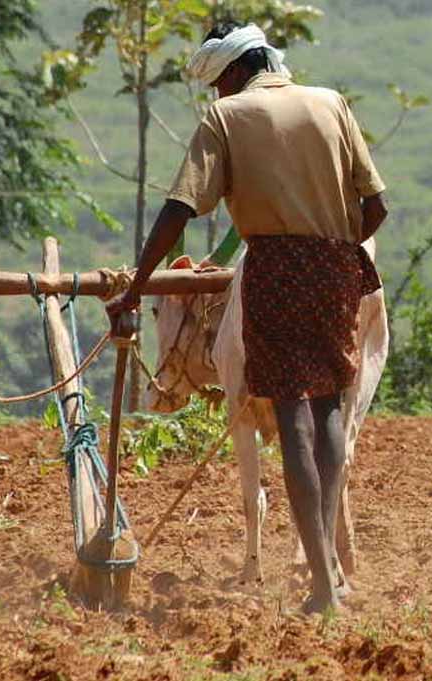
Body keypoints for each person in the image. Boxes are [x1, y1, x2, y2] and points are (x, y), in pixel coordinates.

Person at [107, 21, 388, 613]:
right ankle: (329, 571)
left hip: (275, 271)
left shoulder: (228, 117)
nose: (216, 96)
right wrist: (335, 253)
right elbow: (378, 206)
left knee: (293, 421)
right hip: (341, 265)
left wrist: (137, 284)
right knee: (331, 410)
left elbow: (180, 208)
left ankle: (320, 588)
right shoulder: (332, 103)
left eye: (217, 85)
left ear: (233, 72)